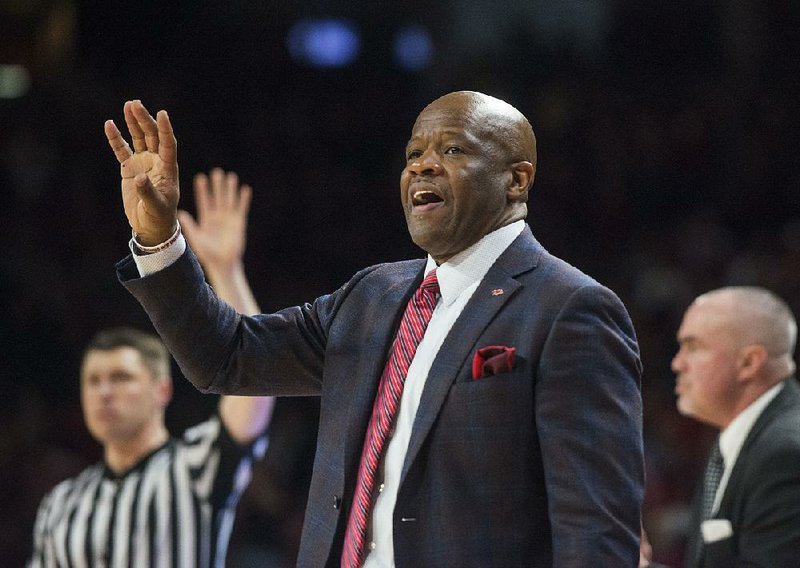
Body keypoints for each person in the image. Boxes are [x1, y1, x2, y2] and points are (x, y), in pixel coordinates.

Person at [105, 92, 644, 566]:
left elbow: (595, 533)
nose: (423, 167)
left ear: (516, 179)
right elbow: (227, 356)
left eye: (452, 150)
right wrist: (159, 239)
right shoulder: (372, 296)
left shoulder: (570, 309)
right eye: (413, 154)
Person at [29, 171, 275, 568]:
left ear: (162, 389)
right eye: (92, 381)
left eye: (121, 377)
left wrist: (225, 271)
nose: (103, 392)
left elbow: (254, 382)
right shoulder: (61, 504)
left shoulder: (195, 465)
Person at [672, 286, 800, 567]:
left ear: (749, 362)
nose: (677, 363)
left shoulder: (784, 454)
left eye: (693, 346)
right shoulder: (743, 438)